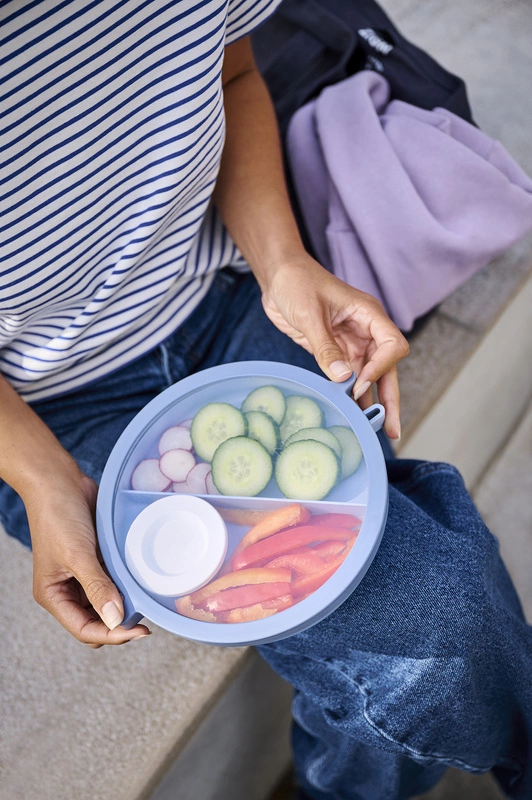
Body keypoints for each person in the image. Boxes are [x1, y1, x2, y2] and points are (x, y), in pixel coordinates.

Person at [1, 2, 531, 799]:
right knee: (436, 640)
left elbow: (236, 68)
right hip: (45, 409)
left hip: (225, 295)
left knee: (432, 634)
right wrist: (40, 480)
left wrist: (283, 265)